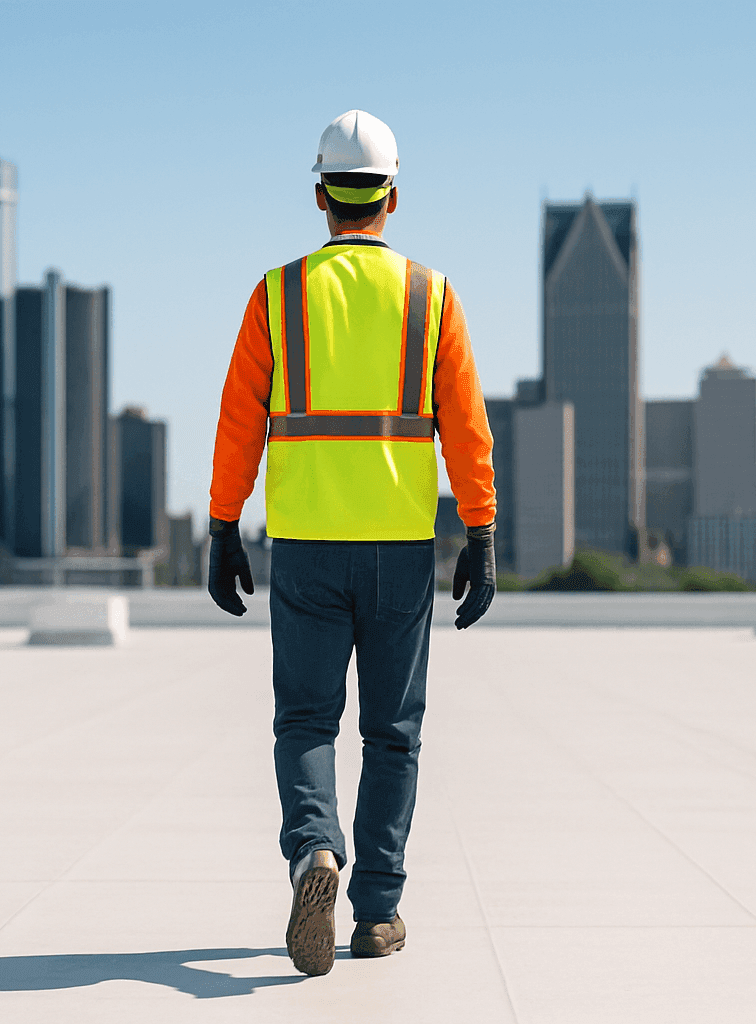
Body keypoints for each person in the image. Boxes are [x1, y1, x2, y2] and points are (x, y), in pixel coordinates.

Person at [206, 109, 497, 977]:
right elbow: (467, 429)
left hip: (304, 542)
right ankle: (377, 913)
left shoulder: (278, 293)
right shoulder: (431, 296)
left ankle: (313, 855)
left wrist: (224, 523)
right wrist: (479, 534)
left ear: (321, 195)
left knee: (305, 717)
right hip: (401, 546)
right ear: (393, 198)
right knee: (393, 732)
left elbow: (237, 422)